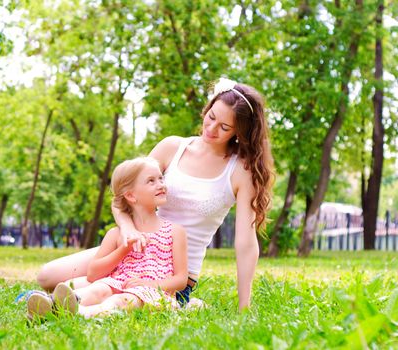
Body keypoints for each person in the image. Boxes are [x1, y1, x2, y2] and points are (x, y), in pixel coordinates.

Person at [36, 77, 274, 310]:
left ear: (238, 132)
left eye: (224, 127)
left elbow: (245, 243)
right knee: (47, 276)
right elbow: (124, 194)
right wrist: (128, 229)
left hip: (171, 268)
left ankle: (177, 301)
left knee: (88, 289)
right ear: (208, 108)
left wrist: (245, 306)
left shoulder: (240, 171)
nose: (211, 128)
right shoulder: (172, 147)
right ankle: (175, 304)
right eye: (211, 117)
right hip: (135, 250)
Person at [27, 157, 187, 319]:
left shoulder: (174, 231)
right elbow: (93, 274)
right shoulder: (116, 234)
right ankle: (52, 305)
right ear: (131, 196)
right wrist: (124, 249)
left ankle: (81, 313)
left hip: (154, 294)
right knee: (98, 290)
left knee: (120, 301)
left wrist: (148, 284)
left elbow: (181, 279)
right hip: (118, 284)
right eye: (151, 181)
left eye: (161, 178)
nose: (161, 184)